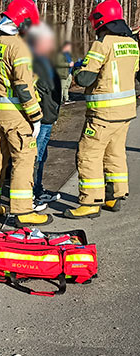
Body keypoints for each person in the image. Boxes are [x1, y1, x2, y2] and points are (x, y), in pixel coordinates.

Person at [64, 0, 138, 219]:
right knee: (115, 153)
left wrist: (77, 72)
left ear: (101, 20)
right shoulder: (131, 43)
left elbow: (86, 77)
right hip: (125, 112)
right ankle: (115, 195)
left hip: (104, 113)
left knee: (89, 154)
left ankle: (90, 201)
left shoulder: (102, 43)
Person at [0, 0, 52, 227]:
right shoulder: (18, 46)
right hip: (16, 114)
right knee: (24, 159)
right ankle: (23, 212)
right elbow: (23, 86)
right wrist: (36, 116)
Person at [27, 24, 62, 208]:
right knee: (36, 156)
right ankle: (32, 195)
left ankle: (38, 189)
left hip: (47, 116)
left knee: (41, 155)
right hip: (41, 117)